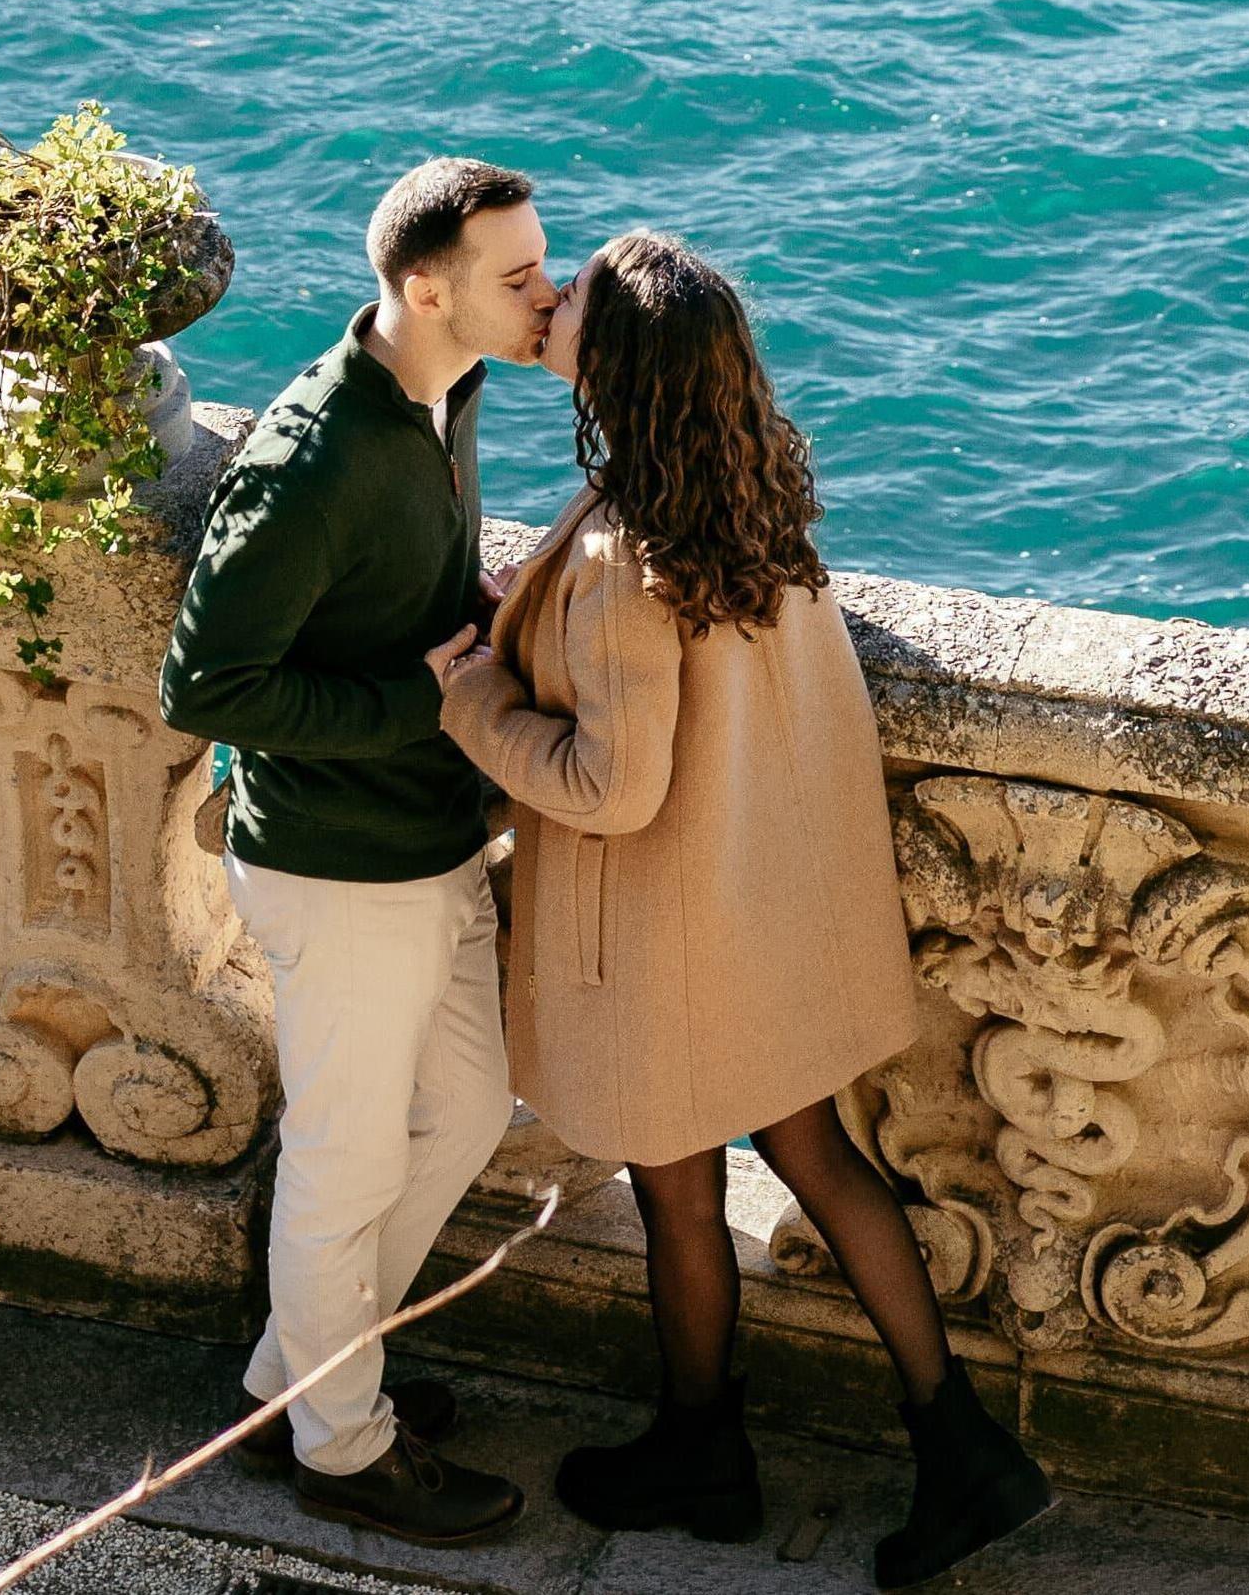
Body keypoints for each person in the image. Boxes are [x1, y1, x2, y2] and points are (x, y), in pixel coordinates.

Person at [429, 230, 1054, 1586]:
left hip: (665, 933)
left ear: (621, 365)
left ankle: (703, 1448)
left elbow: (606, 778)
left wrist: (475, 690)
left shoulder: (623, 554)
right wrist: (528, 615)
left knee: (680, 1193)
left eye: (573, 300)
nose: (548, 304)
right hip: (763, 905)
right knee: (823, 1158)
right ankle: (958, 1445)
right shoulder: (749, 497)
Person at [155, 152, 554, 1547]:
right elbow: (202, 686)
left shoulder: (448, 391)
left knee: (459, 1109)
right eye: (518, 277)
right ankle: (339, 1446)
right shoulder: (312, 459)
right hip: (338, 862)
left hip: (427, 841)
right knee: (340, 1158)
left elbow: (410, 594)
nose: (544, 296)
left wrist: (482, 611)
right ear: (423, 286)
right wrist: (428, 700)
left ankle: (302, 1380)